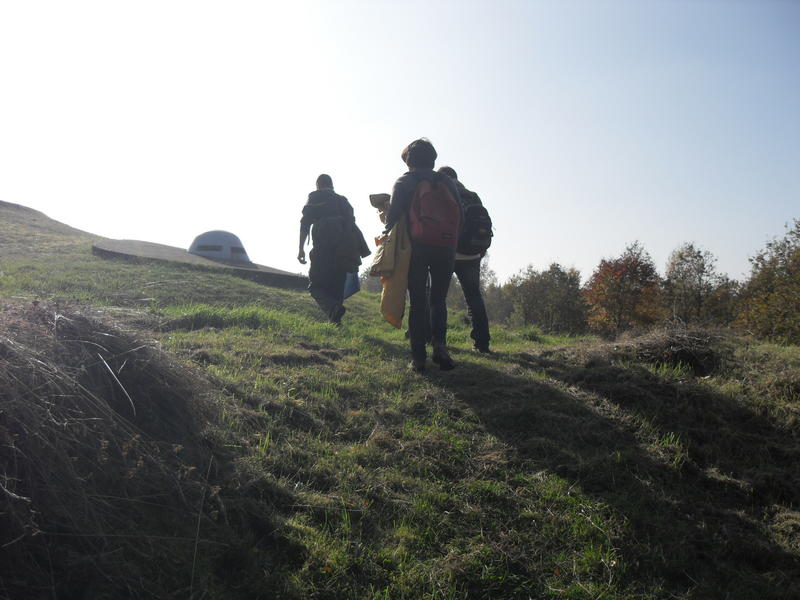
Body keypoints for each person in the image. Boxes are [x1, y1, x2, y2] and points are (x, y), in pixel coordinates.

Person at [384, 139, 462, 372]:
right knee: (438, 300)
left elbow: (393, 218)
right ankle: (440, 348)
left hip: (416, 247)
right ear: (433, 159)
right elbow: (460, 214)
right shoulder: (446, 181)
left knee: (418, 303)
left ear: (409, 161)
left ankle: (418, 358)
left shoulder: (405, 181)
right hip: (446, 246)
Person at [298, 174, 365, 325]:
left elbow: (305, 223)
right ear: (332, 186)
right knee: (336, 287)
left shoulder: (316, 197)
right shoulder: (343, 201)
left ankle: (333, 308)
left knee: (315, 287)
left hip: (324, 248)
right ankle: (336, 324)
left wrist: (301, 249)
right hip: (346, 250)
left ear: (318, 186)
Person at [438, 166, 491, 353]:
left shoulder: (443, 192)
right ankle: (482, 343)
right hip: (473, 254)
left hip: (449, 252)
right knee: (474, 297)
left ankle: (438, 341)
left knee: (438, 298)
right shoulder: (473, 195)